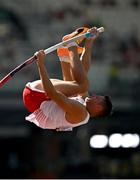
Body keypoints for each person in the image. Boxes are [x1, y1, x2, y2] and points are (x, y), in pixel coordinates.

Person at [23, 27, 112, 131]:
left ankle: (71, 46)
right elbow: (82, 73)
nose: (95, 95)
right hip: (38, 98)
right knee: (79, 85)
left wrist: (41, 64)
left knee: (82, 86)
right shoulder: (83, 106)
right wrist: (89, 42)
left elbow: (51, 93)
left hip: (34, 98)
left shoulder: (80, 113)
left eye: (97, 98)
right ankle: (65, 53)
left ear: (98, 108)